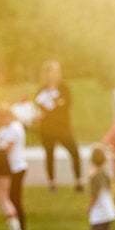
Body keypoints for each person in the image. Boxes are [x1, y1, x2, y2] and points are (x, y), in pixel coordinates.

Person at [34, 60, 81, 192]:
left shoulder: (64, 88)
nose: (56, 74)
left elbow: (66, 104)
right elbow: (39, 108)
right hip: (47, 129)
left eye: (57, 71)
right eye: (53, 71)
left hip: (62, 127)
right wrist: (55, 105)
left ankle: (78, 181)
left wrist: (52, 107)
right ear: (47, 73)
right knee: (49, 155)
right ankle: (52, 182)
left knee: (74, 152)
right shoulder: (42, 90)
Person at [0, 104, 30, 230]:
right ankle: (16, 228)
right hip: (9, 168)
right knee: (10, 198)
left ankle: (21, 229)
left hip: (17, 168)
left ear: (7, 117)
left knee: (15, 199)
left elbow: (6, 149)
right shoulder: (4, 128)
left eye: (0, 119)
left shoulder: (15, 128)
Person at [85, 147, 115, 230]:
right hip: (108, 206)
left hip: (100, 209)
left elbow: (94, 195)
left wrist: (89, 207)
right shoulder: (105, 174)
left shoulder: (95, 177)